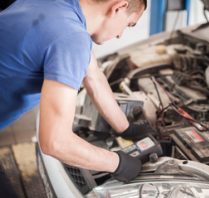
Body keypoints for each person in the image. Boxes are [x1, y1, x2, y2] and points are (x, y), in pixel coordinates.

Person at [0, 0, 148, 183]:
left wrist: (126, 128)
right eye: (128, 24)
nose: (120, 35)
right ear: (119, 7)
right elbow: (56, 142)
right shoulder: (71, 37)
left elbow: (94, 77)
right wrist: (119, 164)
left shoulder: (60, 8)